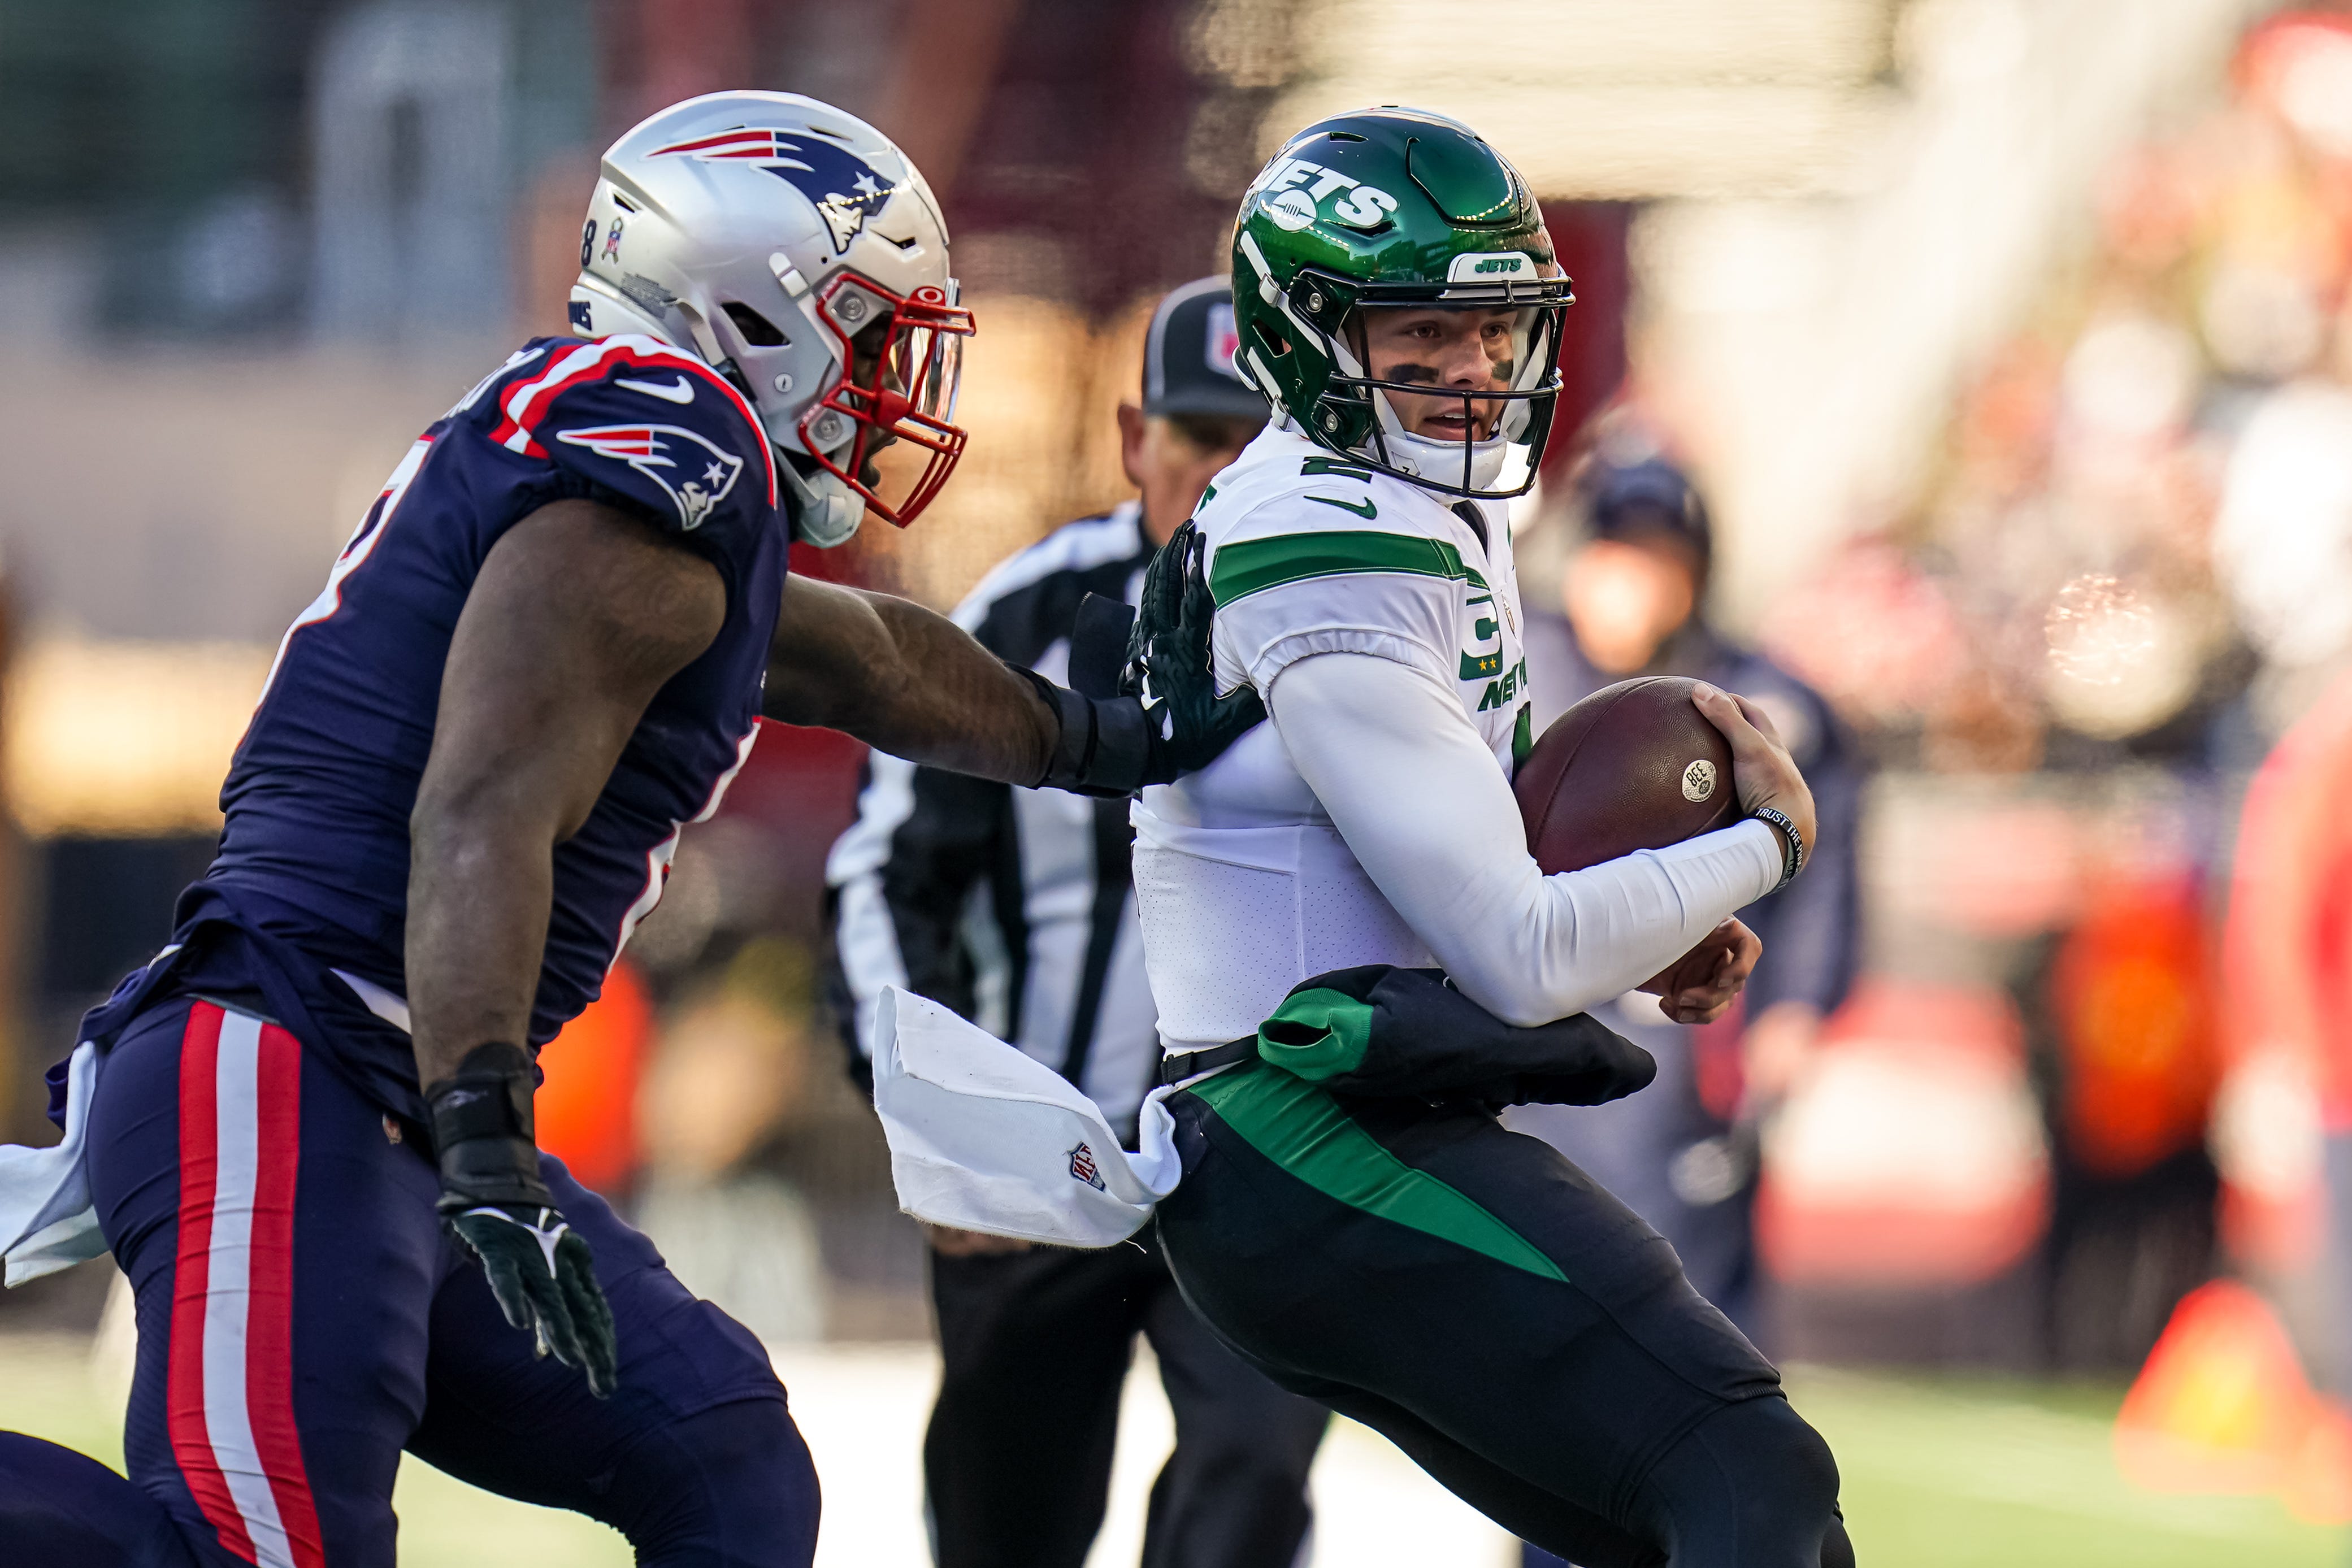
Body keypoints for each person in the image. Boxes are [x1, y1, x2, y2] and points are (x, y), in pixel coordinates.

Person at [0, 92, 1254, 1568]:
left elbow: (870, 659)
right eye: (868, 332)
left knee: (724, 1464)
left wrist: (1105, 739)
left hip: (383, 1090)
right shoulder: (658, 451)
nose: (888, 383)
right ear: (748, 309)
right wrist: (485, 1135)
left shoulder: (660, 497)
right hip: (301, 1059)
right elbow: (483, 808)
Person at [1133, 108, 1854, 1566]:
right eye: (1417, 333)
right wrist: (1768, 838)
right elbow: (1520, 954)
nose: (1469, 372)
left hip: (1340, 1118)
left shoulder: (1400, 501)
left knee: (1667, 1516)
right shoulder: (1329, 538)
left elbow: (1493, 866)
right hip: (1303, 1132)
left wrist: (1655, 924)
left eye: (1491, 330)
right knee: (1744, 1470)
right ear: (1302, 335)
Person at [828, 278, 1327, 1568]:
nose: (1228, 481)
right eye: (1205, 440)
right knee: (1006, 1526)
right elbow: (883, 873)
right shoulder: (1022, 615)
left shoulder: (1356, 628)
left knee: (1253, 1486)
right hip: (1034, 1166)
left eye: (1263, 446)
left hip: (1257, 1161)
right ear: (1132, 440)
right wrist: (939, 1113)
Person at [1509, 454, 1864, 1335]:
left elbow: (1820, 875)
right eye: (1617, 556)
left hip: (1683, 1030)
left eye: (1658, 561)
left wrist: (1799, 1006)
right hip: (1524, 1011)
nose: (1631, 585)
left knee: (1677, 1296)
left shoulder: (1760, 704)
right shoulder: (1512, 666)